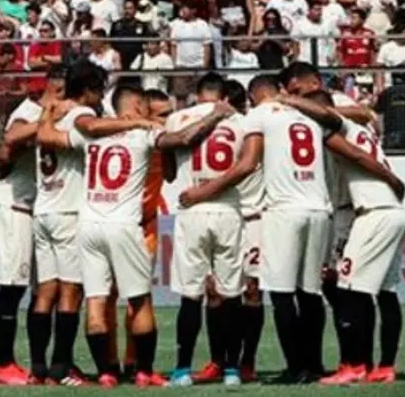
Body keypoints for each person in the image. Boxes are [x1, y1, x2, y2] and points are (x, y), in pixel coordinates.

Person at [179, 75, 397, 384]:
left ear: (254, 98)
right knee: (310, 293)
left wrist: (203, 191)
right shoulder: (308, 116)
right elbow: (351, 134)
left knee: (282, 294)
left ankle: (295, 368)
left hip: (284, 210)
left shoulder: (258, 116)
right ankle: (314, 363)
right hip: (319, 209)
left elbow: (247, 164)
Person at [77, 83, 231, 388]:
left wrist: (49, 114)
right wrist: (216, 114)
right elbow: (184, 138)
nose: (158, 119)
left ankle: (107, 372)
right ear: (138, 108)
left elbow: (62, 132)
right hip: (126, 224)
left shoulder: (92, 134)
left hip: (90, 224)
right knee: (139, 300)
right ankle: (143, 371)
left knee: (96, 301)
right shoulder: (145, 135)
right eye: (151, 112)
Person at [31, 61, 157, 385]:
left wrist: (46, 112)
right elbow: (90, 125)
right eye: (99, 90)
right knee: (73, 293)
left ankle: (39, 368)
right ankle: (61, 368)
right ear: (88, 90)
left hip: (44, 207)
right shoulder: (83, 116)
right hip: (72, 211)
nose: (101, 97)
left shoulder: (53, 113)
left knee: (48, 291)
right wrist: (136, 121)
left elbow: (41, 135)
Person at [303, 92, 405, 386]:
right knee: (386, 291)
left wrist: (392, 178)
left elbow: (358, 156)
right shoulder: (364, 130)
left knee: (347, 288)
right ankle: (385, 366)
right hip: (392, 211)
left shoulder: (336, 131)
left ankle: (355, 364)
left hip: (372, 213)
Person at [164, 73, 249, 386]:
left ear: (198, 94)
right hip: (228, 209)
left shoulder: (176, 119)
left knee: (191, 295)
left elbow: (169, 173)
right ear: (224, 95)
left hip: (192, 210)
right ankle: (231, 370)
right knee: (231, 294)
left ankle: (182, 369)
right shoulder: (241, 121)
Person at [0, 67, 65, 386]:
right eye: (62, 92)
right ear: (53, 89)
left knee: (42, 289)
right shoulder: (29, 111)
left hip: (38, 210)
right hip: (15, 207)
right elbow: (11, 138)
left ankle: (39, 365)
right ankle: (4, 363)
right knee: (12, 285)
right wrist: (49, 118)